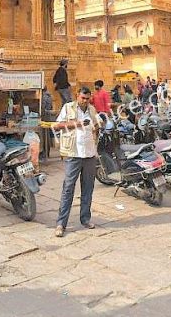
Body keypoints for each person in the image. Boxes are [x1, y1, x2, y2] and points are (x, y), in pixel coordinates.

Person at [53, 87, 102, 236]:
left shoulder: (92, 110)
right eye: (82, 98)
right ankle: (61, 223)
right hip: (73, 153)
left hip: (89, 154)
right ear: (77, 96)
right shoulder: (68, 108)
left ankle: (85, 219)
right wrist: (78, 124)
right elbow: (57, 126)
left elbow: (97, 126)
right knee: (68, 188)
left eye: (87, 99)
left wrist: (97, 129)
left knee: (88, 188)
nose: (85, 101)